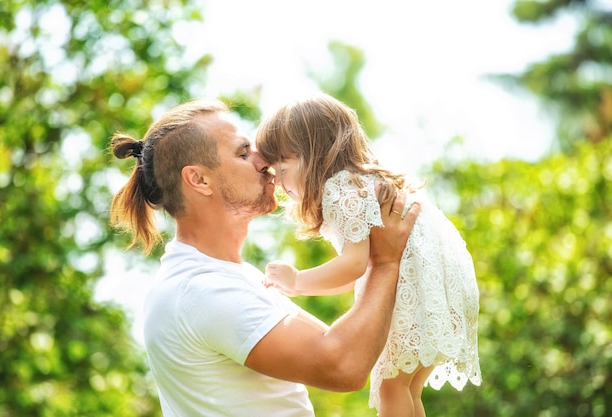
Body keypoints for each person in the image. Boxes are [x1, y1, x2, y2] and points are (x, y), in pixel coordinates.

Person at [109, 97, 420, 417]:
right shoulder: (202, 290)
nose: (265, 162)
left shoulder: (234, 278)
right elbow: (342, 365)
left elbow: (352, 346)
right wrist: (386, 262)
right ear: (199, 180)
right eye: (243, 153)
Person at [255, 93, 482, 417]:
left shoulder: (340, 190)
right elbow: (357, 274)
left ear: (313, 154)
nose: (276, 180)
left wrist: (296, 280)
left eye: (282, 165)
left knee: (392, 387)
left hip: (418, 289)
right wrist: (300, 286)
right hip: (442, 286)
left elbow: (353, 265)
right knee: (406, 388)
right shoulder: (357, 183)